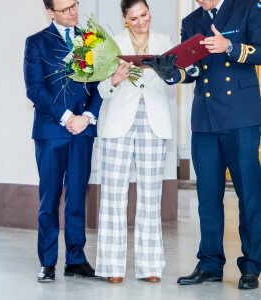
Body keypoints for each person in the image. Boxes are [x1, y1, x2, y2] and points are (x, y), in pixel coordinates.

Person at [144, 0, 261, 290]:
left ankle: (252, 265)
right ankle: (209, 263)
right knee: (208, 196)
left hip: (241, 117)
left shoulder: (247, 8)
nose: (200, 1)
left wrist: (230, 48)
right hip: (205, 120)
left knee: (249, 196)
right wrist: (171, 72)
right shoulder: (191, 21)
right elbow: (193, 70)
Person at [95, 0, 174, 284]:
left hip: (154, 121)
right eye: (134, 17)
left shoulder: (165, 41)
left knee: (151, 195)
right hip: (118, 123)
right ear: (124, 19)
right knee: (113, 195)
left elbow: (174, 79)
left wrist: (170, 73)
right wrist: (114, 79)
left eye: (145, 14)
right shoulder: (111, 44)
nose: (142, 21)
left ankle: (150, 265)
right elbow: (101, 90)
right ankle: (112, 266)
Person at [23, 0, 102, 282]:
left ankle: (76, 259)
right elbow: (34, 88)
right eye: (66, 8)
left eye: (75, 5)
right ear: (50, 12)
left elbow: (99, 86)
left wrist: (88, 116)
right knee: (49, 198)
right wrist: (67, 116)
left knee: (78, 196)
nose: (73, 12)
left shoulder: (91, 40)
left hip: (83, 130)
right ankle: (47, 262)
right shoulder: (36, 43)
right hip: (51, 131)